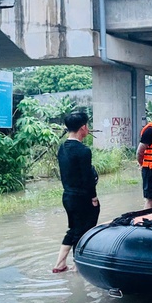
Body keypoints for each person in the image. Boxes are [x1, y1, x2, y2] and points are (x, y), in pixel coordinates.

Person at [52, 111, 100, 273]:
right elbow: (87, 178)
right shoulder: (83, 151)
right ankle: (77, 267)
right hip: (82, 197)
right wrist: (94, 198)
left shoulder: (62, 147)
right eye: (88, 126)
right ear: (83, 128)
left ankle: (60, 264)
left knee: (73, 229)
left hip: (68, 196)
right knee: (84, 230)